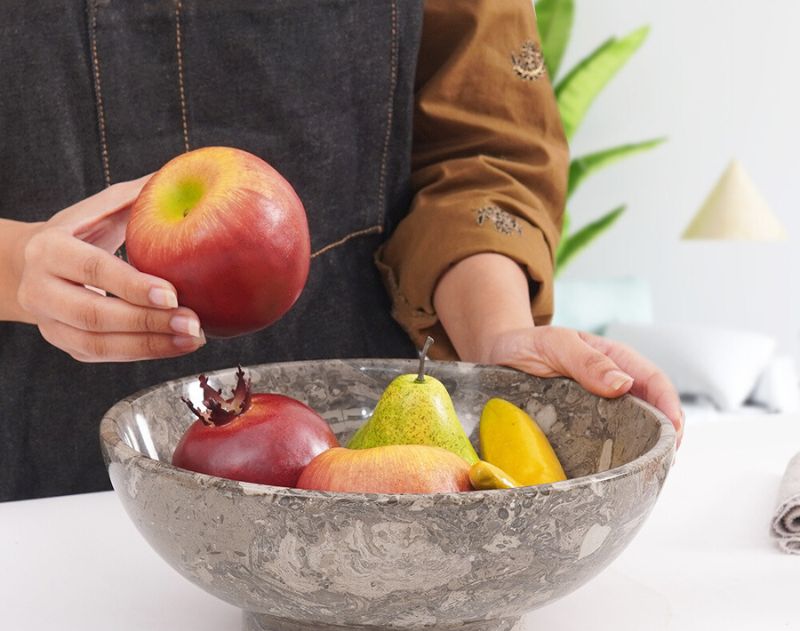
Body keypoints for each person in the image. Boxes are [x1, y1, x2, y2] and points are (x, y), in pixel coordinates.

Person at [0, 0, 681, 502]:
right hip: (38, 481)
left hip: (372, 473)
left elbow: (479, 148)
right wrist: (17, 265)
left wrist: (497, 335)